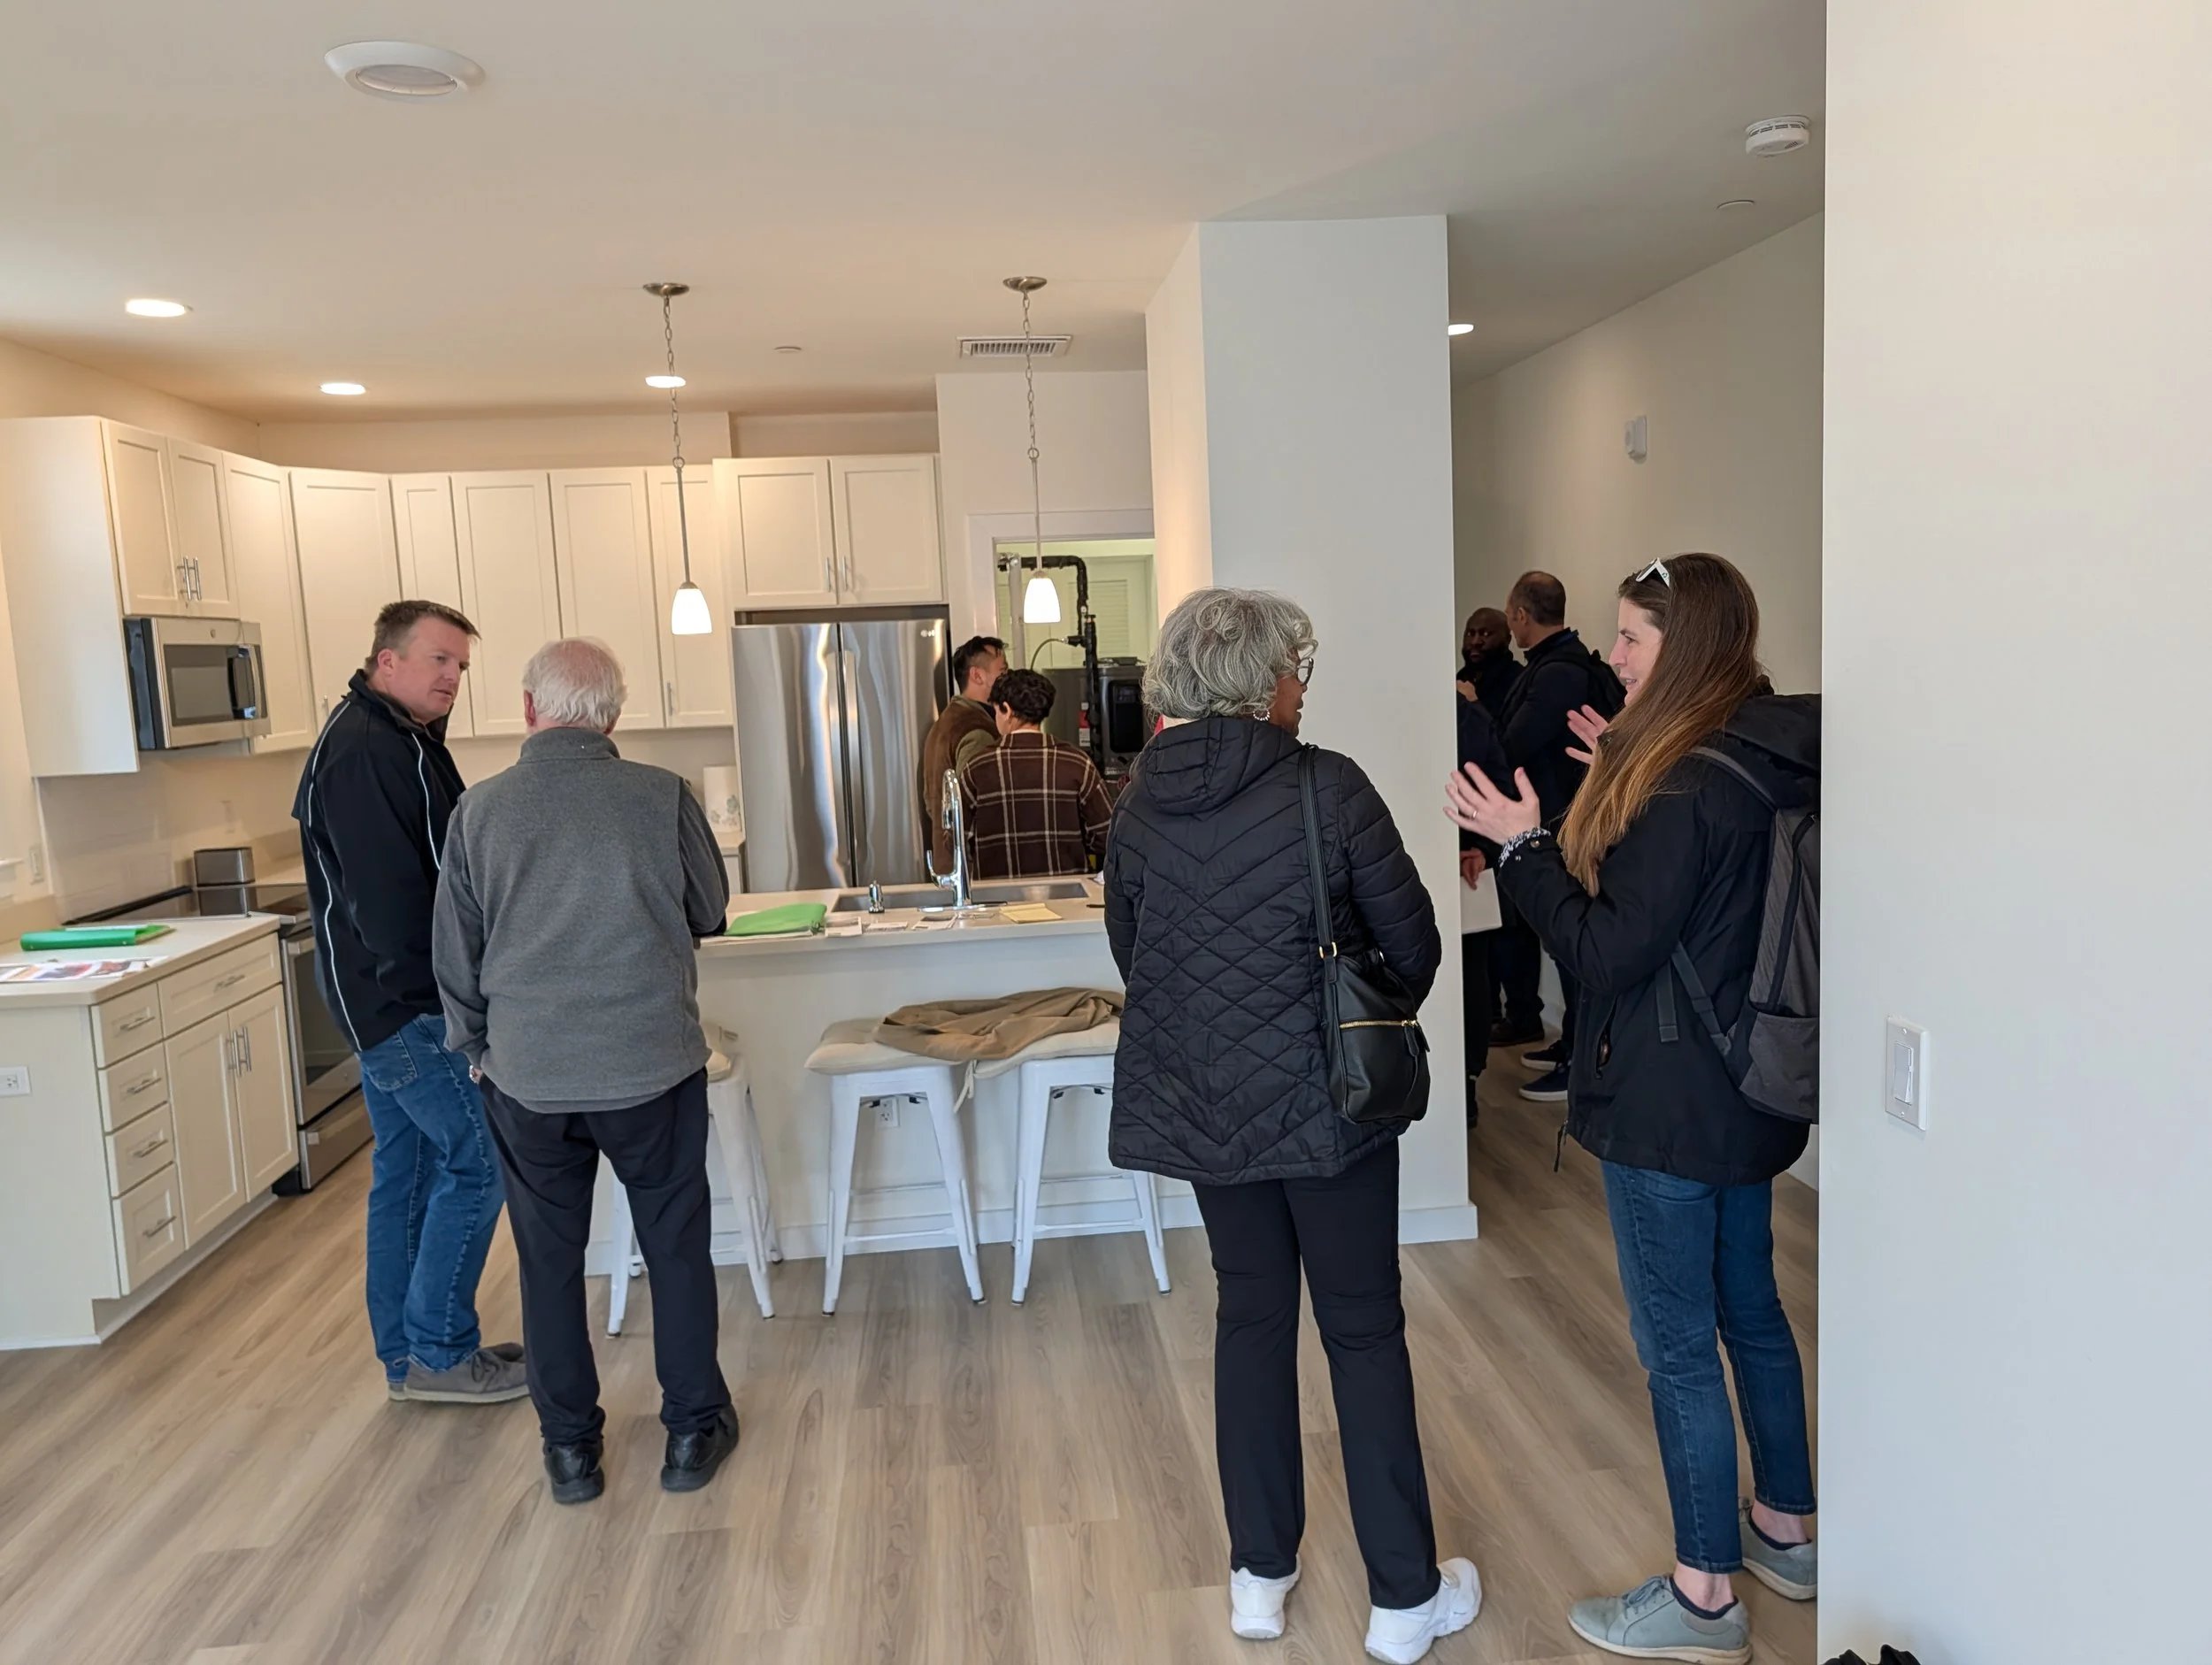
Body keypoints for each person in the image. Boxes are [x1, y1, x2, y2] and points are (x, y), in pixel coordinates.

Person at [1444, 554, 1817, 1665]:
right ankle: (1785, 1531)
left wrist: (1518, 845)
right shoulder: (1759, 753)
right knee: (1749, 1309)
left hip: (1667, 1102)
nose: (1612, 657)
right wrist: (1618, 767)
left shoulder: (1683, 784)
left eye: (1633, 641)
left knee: (1677, 1349)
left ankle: (1703, 1596)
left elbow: (1605, 949)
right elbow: (1693, 901)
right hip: (1750, 1082)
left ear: (1686, 648)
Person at [1104, 587, 1480, 1663]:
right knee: (1362, 1332)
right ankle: (1404, 1600)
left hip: (1207, 1107)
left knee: (1249, 1321)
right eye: (1294, 670)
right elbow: (1412, 951)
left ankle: (1259, 1580)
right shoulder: (1329, 787)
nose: (1301, 689)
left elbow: (1136, 954)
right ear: (1260, 681)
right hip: (1331, 1108)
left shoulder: (1137, 803)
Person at [432, 639, 739, 1506]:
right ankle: (690, 1430)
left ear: (530, 709)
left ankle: (570, 1451)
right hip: (651, 1063)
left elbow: (454, 954)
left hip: (528, 1076)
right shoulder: (659, 794)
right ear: (614, 711)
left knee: (548, 1264)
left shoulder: (479, 813)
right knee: (674, 1251)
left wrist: (480, 1054)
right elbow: (710, 909)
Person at [292, 600, 526, 1406]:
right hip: (404, 1009)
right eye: (438, 660)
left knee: (412, 1172)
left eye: (460, 665)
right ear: (386, 660)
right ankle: (436, 1351)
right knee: (483, 1158)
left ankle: (412, 1357)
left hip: (388, 1005)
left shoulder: (400, 739)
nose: (453, 678)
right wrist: (458, 1007)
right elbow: (392, 909)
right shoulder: (364, 753)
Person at [1490, 570, 1624, 1101]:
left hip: (1569, 827)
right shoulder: (1558, 665)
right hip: (1562, 823)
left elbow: (1513, 743)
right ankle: (1571, 1043)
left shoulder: (1559, 672)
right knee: (1562, 942)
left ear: (1522, 615)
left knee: (1573, 946)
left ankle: (1580, 1059)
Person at [957, 667, 1113, 879]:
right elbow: (1107, 836)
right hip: (1066, 896)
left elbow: (958, 842)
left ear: (1007, 709)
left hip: (995, 897)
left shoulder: (976, 768)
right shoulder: (1077, 763)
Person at [1455, 686, 1512, 1128]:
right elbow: (1495, 782)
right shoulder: (1468, 712)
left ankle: (1465, 1085)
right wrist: (1476, 844)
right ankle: (1467, 1085)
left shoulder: (1467, 712)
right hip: (1466, 857)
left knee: (1467, 972)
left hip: (1460, 862)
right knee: (1469, 971)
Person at [920, 634, 1008, 873]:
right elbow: (978, 805)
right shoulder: (977, 729)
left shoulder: (944, 723)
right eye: (1002, 670)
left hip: (947, 863)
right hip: (972, 869)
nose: (1007, 678)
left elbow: (931, 804)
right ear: (977, 675)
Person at [1458, 606, 1520, 716]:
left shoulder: (1518, 681)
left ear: (1507, 639)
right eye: (1470, 634)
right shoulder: (1460, 679)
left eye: (1485, 634)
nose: (1475, 642)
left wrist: (1473, 702)